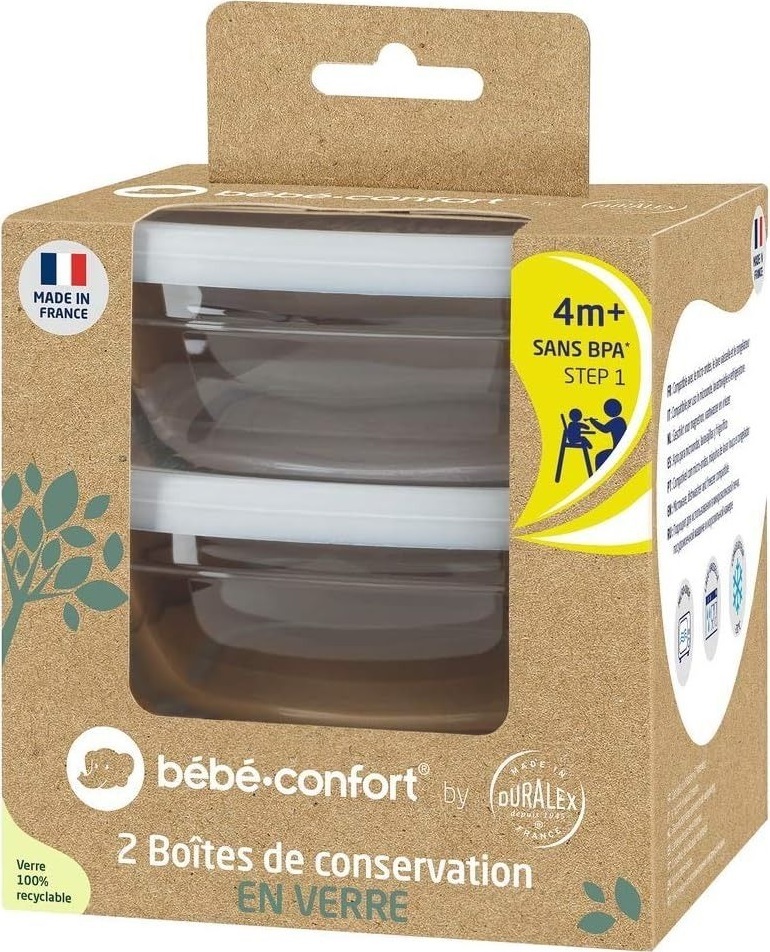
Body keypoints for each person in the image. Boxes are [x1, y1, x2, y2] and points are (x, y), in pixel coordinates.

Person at [591, 398, 627, 469]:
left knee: (599, 457)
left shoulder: (617, 421)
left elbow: (604, 429)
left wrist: (593, 422)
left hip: (618, 451)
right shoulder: (620, 420)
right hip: (619, 450)